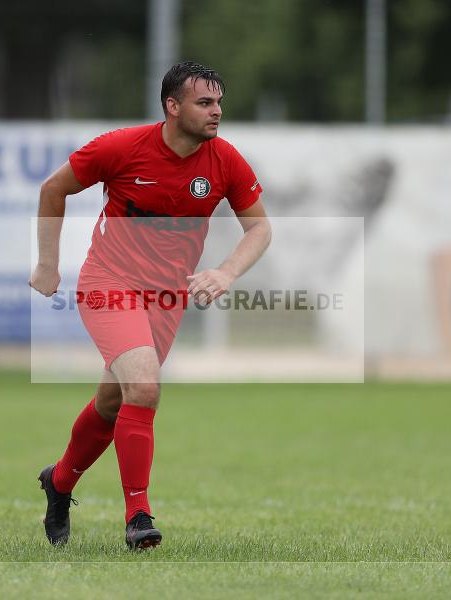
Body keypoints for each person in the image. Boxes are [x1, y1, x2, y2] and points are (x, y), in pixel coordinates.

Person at [29, 61, 271, 550]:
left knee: (115, 399)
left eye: (219, 102)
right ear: (172, 106)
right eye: (204, 102)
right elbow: (53, 188)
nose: (216, 111)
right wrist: (48, 264)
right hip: (108, 282)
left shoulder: (224, 160)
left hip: (165, 298)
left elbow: (260, 228)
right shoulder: (121, 147)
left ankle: (59, 482)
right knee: (144, 385)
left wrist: (225, 272)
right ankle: (138, 515)